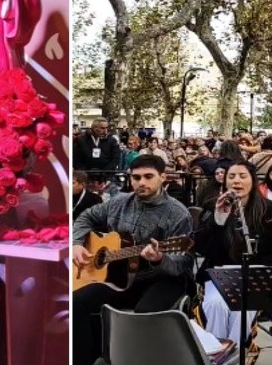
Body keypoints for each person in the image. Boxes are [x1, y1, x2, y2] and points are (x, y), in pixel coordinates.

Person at [71, 154, 194, 365]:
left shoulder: (177, 214)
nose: (141, 183)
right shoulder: (119, 202)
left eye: (148, 176)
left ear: (163, 177)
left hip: (162, 278)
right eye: (136, 177)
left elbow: (183, 263)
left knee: (144, 314)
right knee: (76, 302)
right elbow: (86, 217)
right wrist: (76, 243)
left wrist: (158, 258)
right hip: (120, 278)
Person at [194, 160, 272, 346]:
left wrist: (259, 269)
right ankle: (215, 353)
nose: (237, 181)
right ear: (225, 182)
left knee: (242, 309)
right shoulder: (210, 207)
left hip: (255, 275)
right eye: (231, 176)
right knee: (215, 305)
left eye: (242, 176)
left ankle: (237, 355)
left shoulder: (268, 209)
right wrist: (219, 219)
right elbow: (203, 249)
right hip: (218, 274)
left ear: (252, 181)